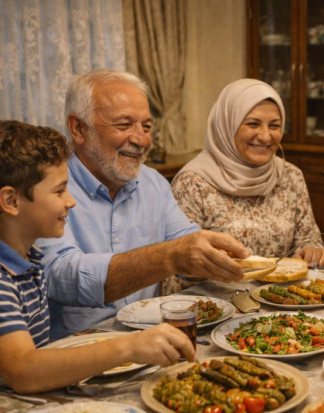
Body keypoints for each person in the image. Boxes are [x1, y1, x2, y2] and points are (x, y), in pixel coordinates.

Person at [0, 121, 195, 394]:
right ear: (11, 201)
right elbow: (24, 371)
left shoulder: (26, 255)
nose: (71, 201)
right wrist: (130, 347)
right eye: (59, 191)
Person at [37, 69, 249, 339]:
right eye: (124, 125)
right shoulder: (46, 186)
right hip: (74, 354)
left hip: (148, 342)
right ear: (78, 128)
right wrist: (170, 256)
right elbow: (62, 276)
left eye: (146, 127)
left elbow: (185, 242)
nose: (141, 140)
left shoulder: (153, 183)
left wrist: (215, 257)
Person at [166, 78, 324, 294]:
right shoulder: (192, 183)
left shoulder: (290, 176)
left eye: (275, 126)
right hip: (212, 309)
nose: (265, 136)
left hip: (279, 304)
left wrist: (312, 250)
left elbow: (308, 238)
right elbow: (175, 273)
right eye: (253, 124)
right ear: (226, 124)